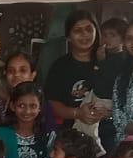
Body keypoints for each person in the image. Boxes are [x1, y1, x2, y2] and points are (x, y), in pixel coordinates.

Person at [44, 10, 116, 146]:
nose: (84, 34)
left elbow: (121, 98)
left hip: (106, 132)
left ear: (96, 31)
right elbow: (53, 104)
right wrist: (78, 113)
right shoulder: (60, 66)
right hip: (71, 136)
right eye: (77, 30)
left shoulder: (108, 61)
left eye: (89, 29)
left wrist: (108, 113)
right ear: (68, 37)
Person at [0, 83, 54, 158]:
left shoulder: (48, 137)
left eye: (33, 106)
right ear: (12, 106)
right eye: (21, 106)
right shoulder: (1, 135)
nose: (27, 111)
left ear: (40, 107)